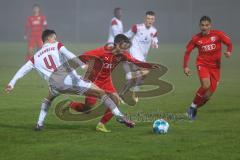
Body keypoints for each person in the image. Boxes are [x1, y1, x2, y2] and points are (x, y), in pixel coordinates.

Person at [5, 30, 135, 131]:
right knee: (102, 94)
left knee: (48, 99)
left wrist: (11, 83)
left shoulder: (34, 58)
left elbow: (22, 70)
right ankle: (120, 116)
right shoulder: (56, 45)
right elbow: (69, 54)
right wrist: (82, 64)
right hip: (70, 80)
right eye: (55, 37)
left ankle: (39, 124)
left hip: (55, 84)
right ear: (50, 38)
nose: (56, 39)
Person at [69, 34, 159, 132]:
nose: (125, 49)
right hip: (93, 82)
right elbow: (84, 56)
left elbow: (134, 61)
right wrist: (85, 65)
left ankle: (101, 125)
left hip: (106, 81)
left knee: (116, 101)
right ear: (116, 44)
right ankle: (70, 104)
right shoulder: (102, 51)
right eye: (123, 46)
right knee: (87, 109)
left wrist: (149, 66)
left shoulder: (123, 55)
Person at [183, 16, 233, 120]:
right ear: (199, 26)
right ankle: (192, 107)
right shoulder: (196, 38)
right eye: (202, 25)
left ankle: (193, 108)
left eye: (206, 25)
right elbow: (187, 52)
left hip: (216, 67)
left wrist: (228, 52)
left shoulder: (218, 34)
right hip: (202, 64)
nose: (204, 27)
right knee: (206, 85)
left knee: (206, 97)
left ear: (210, 25)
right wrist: (185, 66)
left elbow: (229, 43)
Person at [120, 11, 158, 99]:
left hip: (143, 56)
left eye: (152, 19)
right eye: (148, 18)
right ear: (145, 19)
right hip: (135, 54)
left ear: (154, 20)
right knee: (145, 71)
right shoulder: (137, 27)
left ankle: (122, 94)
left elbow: (155, 39)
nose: (150, 20)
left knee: (138, 78)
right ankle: (135, 84)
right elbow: (127, 35)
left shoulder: (154, 31)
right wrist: (120, 40)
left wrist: (155, 43)